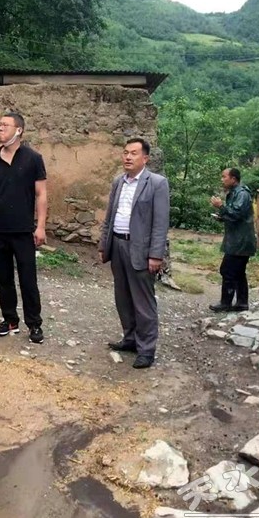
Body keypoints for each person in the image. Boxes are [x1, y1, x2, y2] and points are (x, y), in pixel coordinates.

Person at [0, 110, 47, 344]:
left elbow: (41, 194)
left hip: (23, 231)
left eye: (5, 125)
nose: (0, 128)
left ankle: (34, 324)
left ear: (19, 130)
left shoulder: (33, 158)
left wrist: (41, 226)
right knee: (3, 279)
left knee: (28, 280)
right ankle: (10, 320)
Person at [98, 138, 170, 369]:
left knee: (143, 301)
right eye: (125, 152)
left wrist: (156, 255)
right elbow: (110, 216)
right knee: (123, 297)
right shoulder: (118, 182)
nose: (128, 157)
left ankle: (146, 349)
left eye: (134, 153)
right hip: (118, 245)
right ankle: (130, 339)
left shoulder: (157, 183)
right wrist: (104, 244)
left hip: (141, 249)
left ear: (145, 158)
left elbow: (160, 223)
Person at [209, 168, 257, 312]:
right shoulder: (234, 193)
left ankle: (226, 303)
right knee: (238, 272)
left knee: (228, 270)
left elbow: (236, 214)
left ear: (233, 179)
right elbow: (235, 216)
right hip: (237, 240)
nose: (222, 180)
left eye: (224, 177)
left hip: (240, 241)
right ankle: (242, 303)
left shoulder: (242, 194)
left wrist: (221, 206)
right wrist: (222, 217)